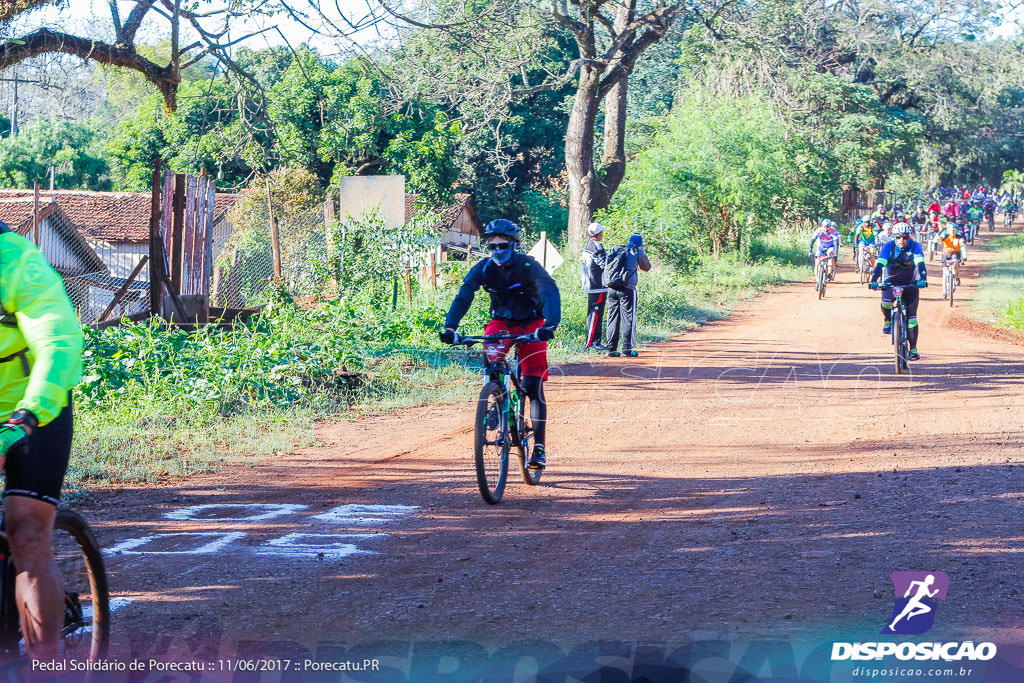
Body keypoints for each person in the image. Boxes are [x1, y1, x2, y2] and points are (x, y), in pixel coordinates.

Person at [0, 219, 84, 661]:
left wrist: (26, 416)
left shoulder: (15, 262)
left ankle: (46, 666)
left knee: (27, 531)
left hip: (34, 408)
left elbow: (58, 341)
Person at [440, 219, 560, 470]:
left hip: (532, 324)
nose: (497, 250)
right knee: (492, 359)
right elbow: (464, 295)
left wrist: (550, 325)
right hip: (501, 323)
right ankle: (495, 399)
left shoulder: (528, 265)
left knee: (532, 384)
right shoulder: (483, 268)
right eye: (492, 246)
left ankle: (538, 449)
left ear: (513, 244)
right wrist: (450, 327)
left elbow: (549, 291)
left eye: (502, 245)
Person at [870, 223, 927, 361]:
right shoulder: (888, 246)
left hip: (910, 283)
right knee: (886, 303)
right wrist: (873, 280)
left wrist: (923, 278)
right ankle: (888, 319)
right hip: (891, 282)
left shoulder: (915, 246)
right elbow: (879, 266)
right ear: (894, 237)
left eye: (905, 237)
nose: (902, 240)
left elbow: (920, 265)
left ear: (909, 237)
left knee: (912, 318)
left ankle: (913, 348)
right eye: (899, 237)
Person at [604, 233, 651, 358]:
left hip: (611, 288)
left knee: (612, 318)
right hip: (627, 289)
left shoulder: (618, 249)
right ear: (639, 244)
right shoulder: (637, 252)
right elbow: (646, 267)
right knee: (628, 318)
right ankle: (627, 349)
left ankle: (611, 350)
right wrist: (642, 252)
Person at [580, 222, 608, 350]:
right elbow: (604, 265)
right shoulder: (595, 248)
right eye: (601, 232)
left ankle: (596, 342)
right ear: (598, 234)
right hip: (597, 285)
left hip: (594, 285)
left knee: (597, 313)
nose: (602, 234)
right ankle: (590, 342)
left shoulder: (590, 245)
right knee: (595, 313)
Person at [808, 219, 840, 284]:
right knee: (817, 264)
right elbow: (812, 241)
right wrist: (810, 251)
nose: (826, 228)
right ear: (822, 226)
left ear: (830, 226)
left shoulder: (833, 231)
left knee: (831, 256)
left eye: (828, 226)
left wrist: (835, 254)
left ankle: (829, 274)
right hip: (821, 248)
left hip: (830, 248)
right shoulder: (818, 231)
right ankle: (817, 281)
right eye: (825, 226)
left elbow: (837, 242)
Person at [939, 222, 966, 286]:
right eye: (951, 230)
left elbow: (963, 246)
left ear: (956, 230)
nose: (953, 232)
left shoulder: (959, 236)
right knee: (945, 271)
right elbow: (939, 240)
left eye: (954, 230)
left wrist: (964, 256)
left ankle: (957, 277)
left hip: (955, 253)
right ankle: (944, 290)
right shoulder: (945, 235)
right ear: (948, 230)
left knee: (955, 265)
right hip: (946, 253)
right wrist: (936, 239)